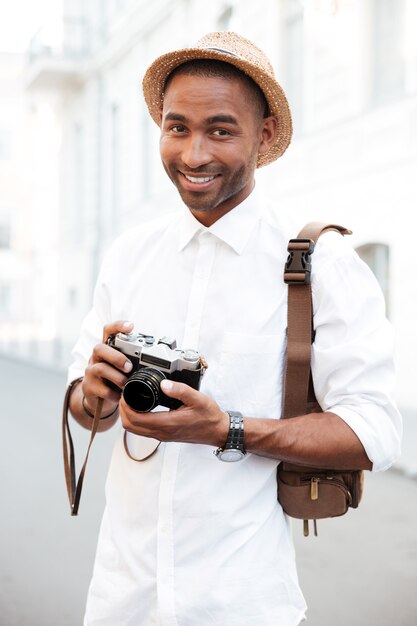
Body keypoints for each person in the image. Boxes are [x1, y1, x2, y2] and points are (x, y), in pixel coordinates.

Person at [67, 32, 402, 626]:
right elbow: (86, 412)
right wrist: (92, 393)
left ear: (265, 134)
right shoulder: (129, 255)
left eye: (220, 130)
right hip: (121, 599)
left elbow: (373, 430)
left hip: (242, 603)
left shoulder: (321, 265)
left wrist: (229, 429)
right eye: (177, 128)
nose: (194, 154)